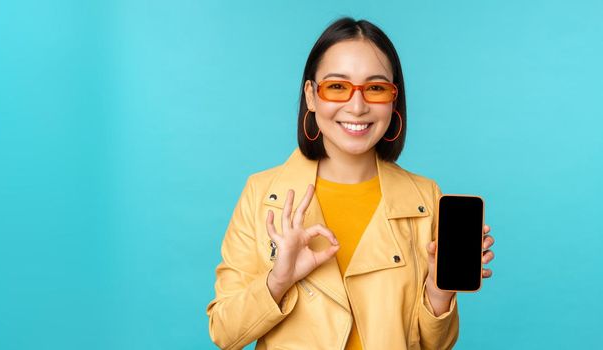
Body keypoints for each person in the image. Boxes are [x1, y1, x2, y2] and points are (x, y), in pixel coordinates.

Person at [205, 17, 496, 350]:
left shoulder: (425, 199)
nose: (357, 107)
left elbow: (435, 345)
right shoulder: (261, 194)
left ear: (393, 100)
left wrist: (438, 293)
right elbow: (224, 332)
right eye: (337, 87)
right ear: (311, 96)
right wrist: (279, 279)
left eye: (375, 88)